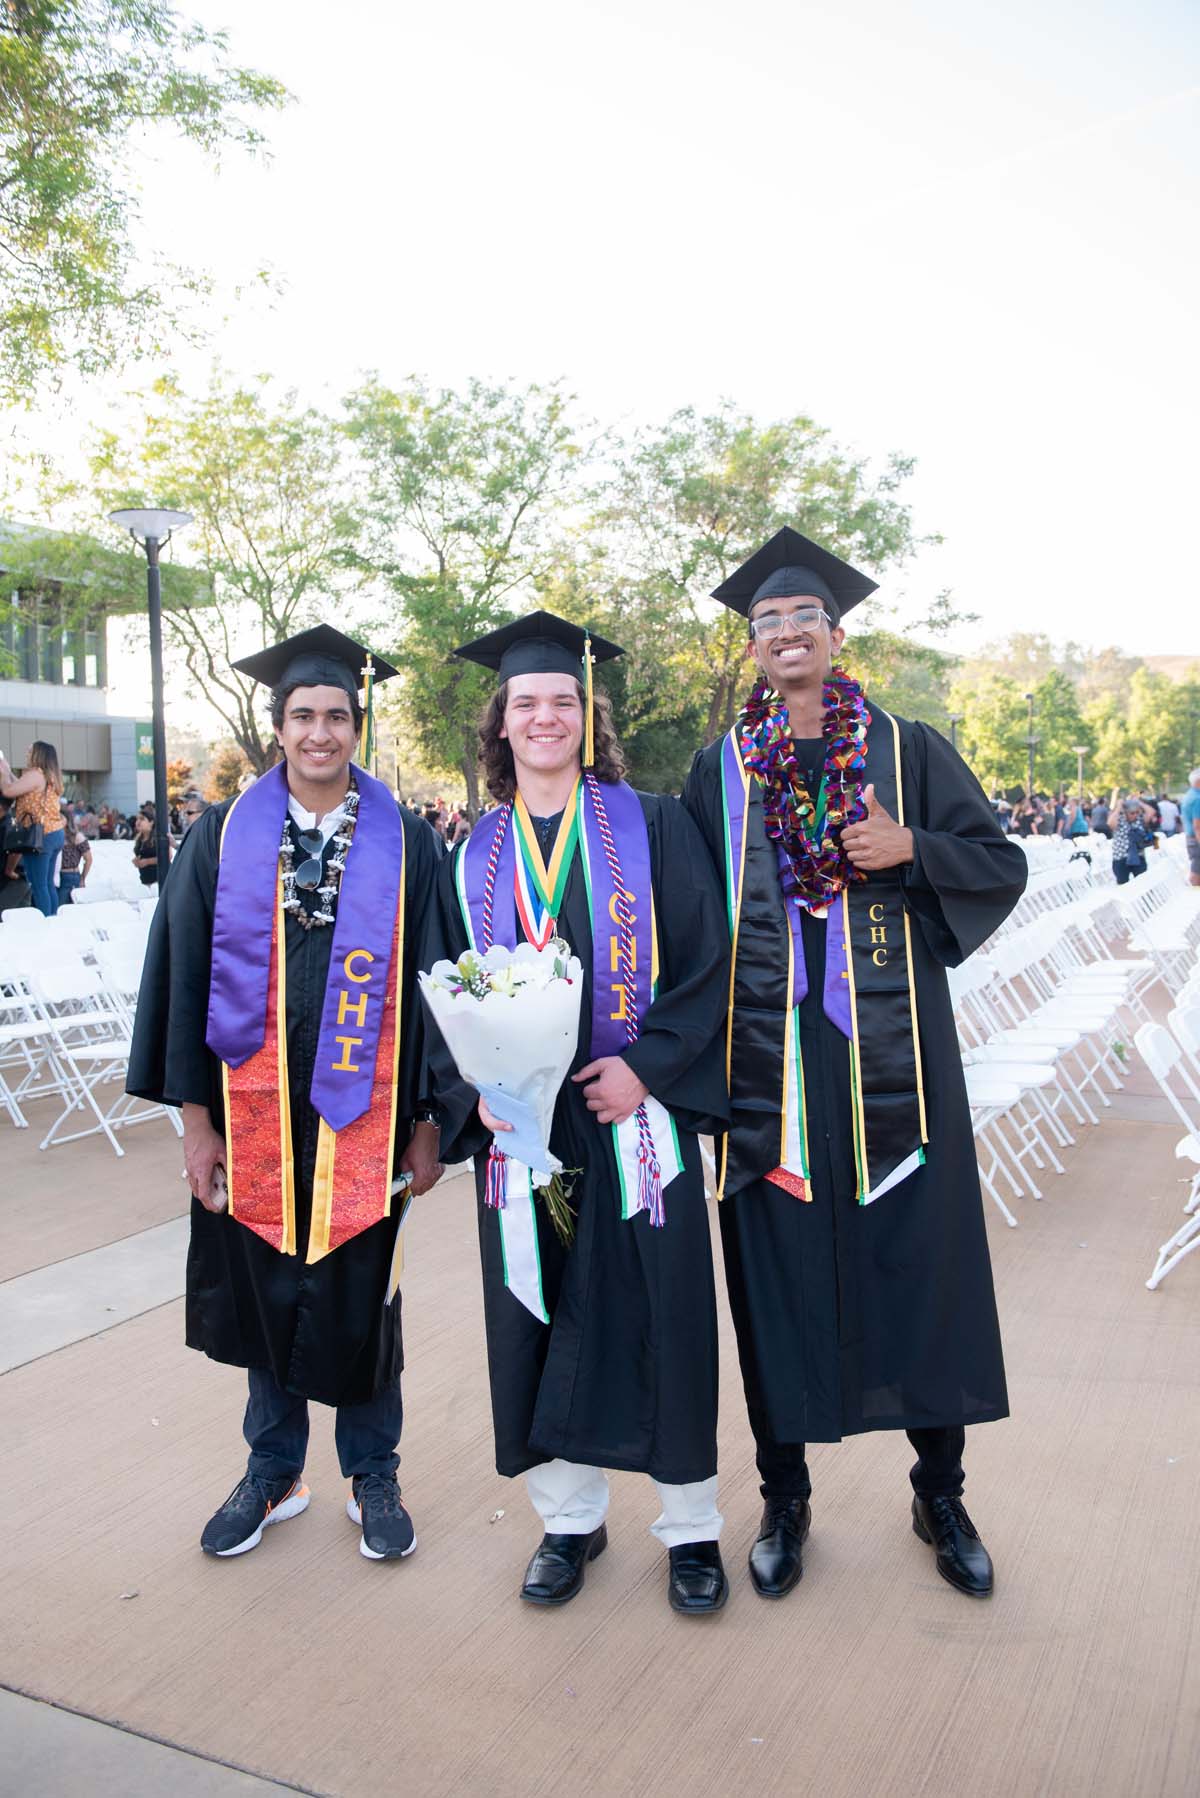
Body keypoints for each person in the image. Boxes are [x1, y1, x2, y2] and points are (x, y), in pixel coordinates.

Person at [681, 527, 1028, 1603]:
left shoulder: (906, 747)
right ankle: (785, 1495)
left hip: (896, 1059)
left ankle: (941, 1488)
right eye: (765, 624)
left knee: (917, 1259)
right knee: (775, 1265)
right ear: (753, 648)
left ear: (836, 634)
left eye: (802, 620)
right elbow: (691, 917)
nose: (784, 635)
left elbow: (999, 863)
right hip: (767, 1065)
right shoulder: (717, 771)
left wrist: (911, 847)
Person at [429, 611, 732, 1615]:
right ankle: (569, 1520)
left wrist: (647, 1068)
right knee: (535, 1306)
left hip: (636, 1117)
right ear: (501, 726)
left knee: (666, 1306)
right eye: (527, 703)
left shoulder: (653, 825)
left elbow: (706, 963)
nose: (545, 716)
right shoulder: (469, 854)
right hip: (526, 1131)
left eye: (563, 700)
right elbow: (441, 990)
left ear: (587, 717)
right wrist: (477, 1093)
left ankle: (690, 1525)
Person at [127, 624, 447, 1564]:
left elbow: (433, 978)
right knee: (262, 1288)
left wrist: (430, 1122)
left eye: (336, 716)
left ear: (357, 725)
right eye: (303, 715)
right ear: (279, 728)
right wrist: (195, 1124)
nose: (320, 733)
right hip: (250, 1110)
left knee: (363, 1292)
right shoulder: (222, 837)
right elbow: (180, 979)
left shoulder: (409, 840)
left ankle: (372, 1468)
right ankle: (274, 1469)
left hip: (369, 1115)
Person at [0, 739, 66, 915]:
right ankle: (53, 920)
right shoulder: (49, 775)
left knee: (39, 885)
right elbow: (19, 786)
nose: (27, 754)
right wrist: (7, 771)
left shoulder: (35, 773)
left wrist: (2, 773)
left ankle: (45, 923)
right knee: (48, 883)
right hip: (55, 833)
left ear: (38, 754)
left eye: (30, 751)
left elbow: (8, 791)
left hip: (39, 835)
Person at [1111, 796, 1151, 884]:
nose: (1135, 815)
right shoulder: (1119, 821)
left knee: (1142, 883)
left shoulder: (1140, 820)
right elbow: (1110, 823)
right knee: (1122, 884)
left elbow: (1151, 812)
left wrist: (1140, 802)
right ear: (1126, 812)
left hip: (1138, 857)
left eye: (1137, 812)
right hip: (1121, 857)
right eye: (1132, 813)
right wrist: (1118, 807)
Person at [57, 819, 92, 904]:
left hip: (69, 875)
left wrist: (83, 878)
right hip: (55, 875)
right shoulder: (55, 834)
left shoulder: (77, 836)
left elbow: (88, 859)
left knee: (64, 906)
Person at [1181, 769, 1200, 888]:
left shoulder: (1190, 795)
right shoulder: (1198, 798)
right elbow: (1198, 826)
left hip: (1192, 838)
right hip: (1196, 838)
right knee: (1196, 872)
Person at [131, 811, 160, 886]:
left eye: (142, 819)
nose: (138, 822)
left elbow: (167, 856)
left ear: (151, 822)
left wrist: (147, 861)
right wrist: (136, 861)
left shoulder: (158, 837)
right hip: (146, 881)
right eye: (137, 819)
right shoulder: (139, 839)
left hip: (159, 880)